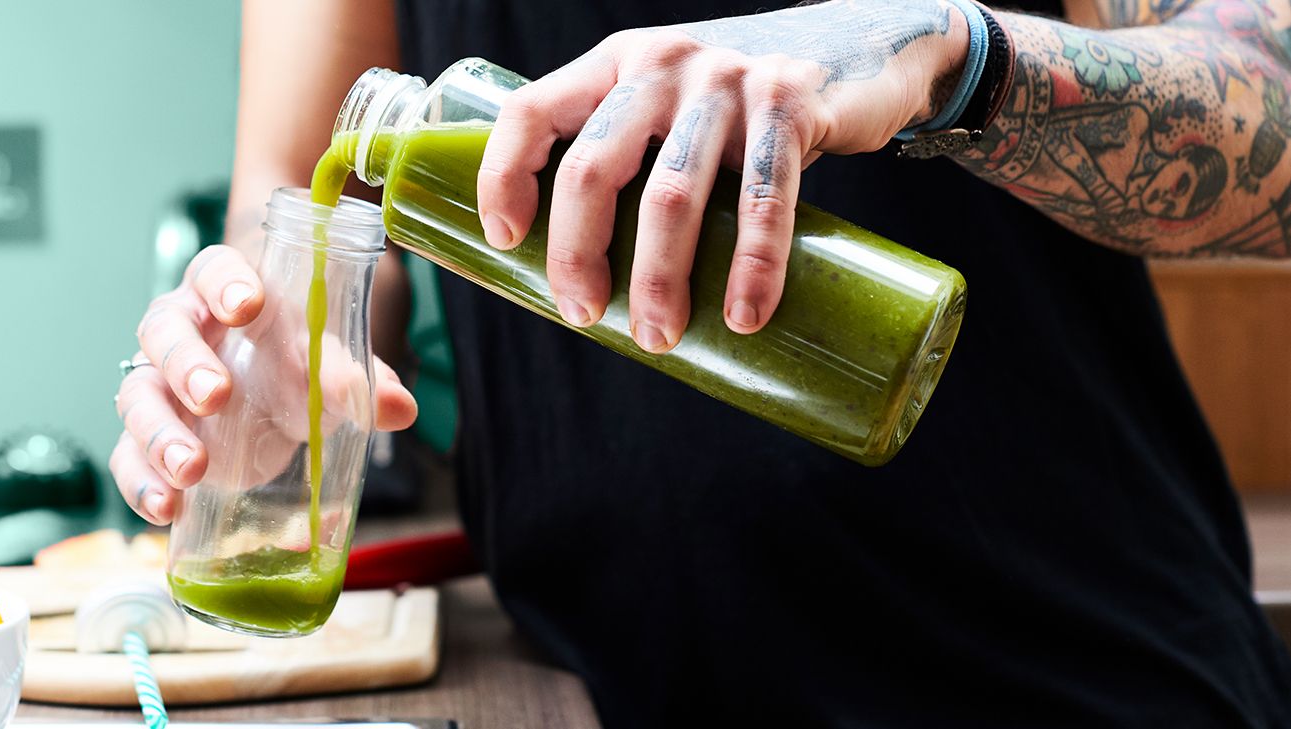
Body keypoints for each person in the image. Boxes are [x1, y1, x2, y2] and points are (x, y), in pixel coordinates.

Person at [112, 0, 1291, 725]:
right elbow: (310, 192)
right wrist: (263, 353)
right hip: (599, 678)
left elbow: (1273, 97)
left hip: (1050, 663)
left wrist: (954, 54)